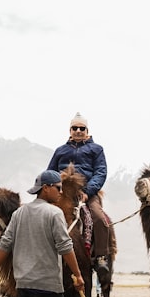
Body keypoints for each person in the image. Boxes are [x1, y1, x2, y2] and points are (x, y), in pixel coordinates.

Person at [48, 113, 112, 271]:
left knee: (98, 217)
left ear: (87, 130)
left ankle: (101, 257)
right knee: (40, 214)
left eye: (81, 128)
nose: (78, 130)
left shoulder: (96, 149)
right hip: (62, 192)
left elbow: (101, 172)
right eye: (74, 128)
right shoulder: (60, 150)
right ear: (70, 130)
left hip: (86, 191)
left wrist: (88, 191)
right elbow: (50, 172)